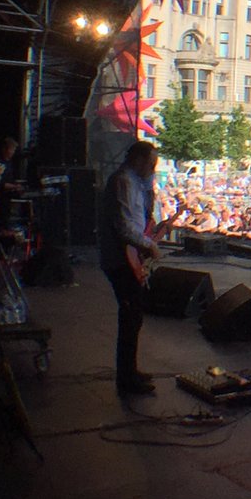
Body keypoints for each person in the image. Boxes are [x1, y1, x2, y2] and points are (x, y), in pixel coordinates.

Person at [98, 141, 161, 394]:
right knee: (130, 316)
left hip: (127, 258)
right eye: (151, 163)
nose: (153, 168)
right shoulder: (123, 182)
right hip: (120, 260)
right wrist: (150, 245)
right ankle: (126, 378)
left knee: (133, 317)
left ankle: (130, 371)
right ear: (138, 159)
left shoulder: (135, 183)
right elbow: (123, 227)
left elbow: (139, 218)